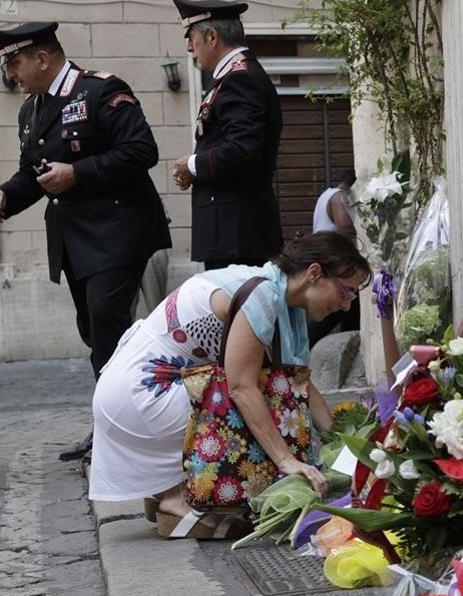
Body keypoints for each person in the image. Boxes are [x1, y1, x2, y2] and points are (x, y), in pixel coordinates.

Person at [88, 232, 370, 538]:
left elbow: (299, 381)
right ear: (315, 273)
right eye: (346, 292)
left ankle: (166, 490)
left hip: (132, 390)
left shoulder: (271, 287)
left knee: (277, 389)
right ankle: (173, 501)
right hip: (142, 396)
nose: (345, 306)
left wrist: (343, 446)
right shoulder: (261, 296)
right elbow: (242, 388)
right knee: (265, 395)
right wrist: (286, 461)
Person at [0, 22, 172, 462]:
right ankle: (115, 424)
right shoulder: (31, 110)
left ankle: (124, 434)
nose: (10, 74)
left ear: (42, 58)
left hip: (118, 232)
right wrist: (2, 197)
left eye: (14, 62)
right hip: (74, 242)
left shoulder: (101, 91)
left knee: (107, 322)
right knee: (96, 333)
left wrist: (77, 173)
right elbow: (34, 174)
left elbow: (142, 150)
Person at [169, 0, 283, 270]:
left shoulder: (240, 78)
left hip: (238, 233)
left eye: (191, 37)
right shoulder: (231, 77)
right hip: (233, 232)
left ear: (211, 38)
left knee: (239, 312)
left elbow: (244, 149)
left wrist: (193, 164)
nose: (188, 48)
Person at [308, 169, 360, 346]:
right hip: (335, 268)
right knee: (328, 316)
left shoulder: (327, 194)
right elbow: (347, 231)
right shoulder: (339, 198)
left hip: (331, 264)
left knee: (349, 311)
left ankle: (350, 353)